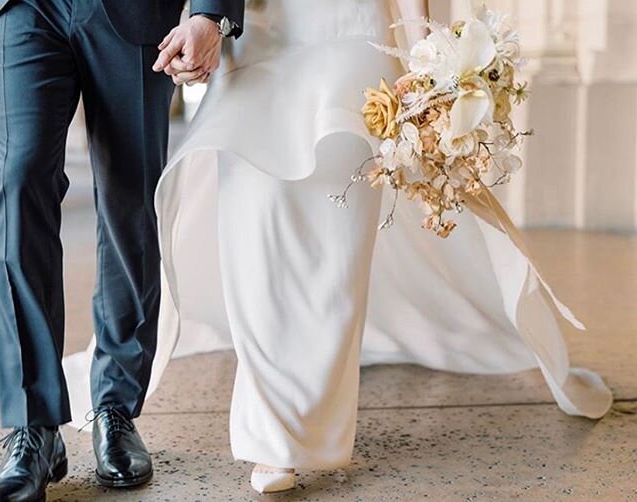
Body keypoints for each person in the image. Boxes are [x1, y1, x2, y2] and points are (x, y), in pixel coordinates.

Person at [149, 0, 614, 495]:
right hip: (257, 34)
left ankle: (293, 428)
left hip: (350, 34)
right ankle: (271, 426)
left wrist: (425, 64)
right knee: (253, 231)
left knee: (334, 246)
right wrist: (198, 18)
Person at [0, 0, 243, 499]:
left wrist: (212, 13)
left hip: (130, 9)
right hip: (23, 8)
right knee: (16, 180)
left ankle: (116, 406)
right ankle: (32, 424)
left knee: (129, 196)